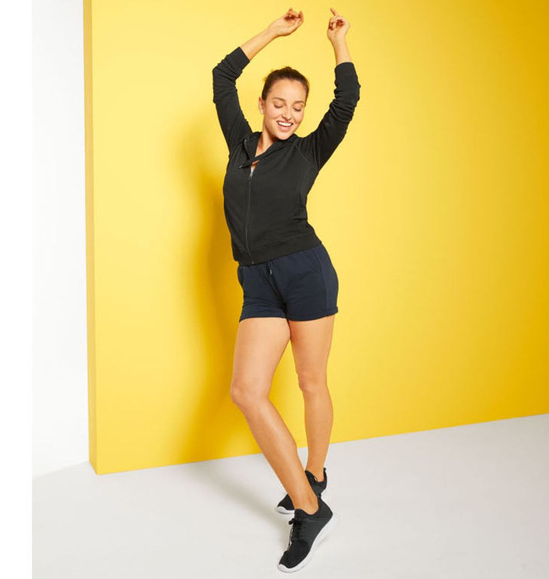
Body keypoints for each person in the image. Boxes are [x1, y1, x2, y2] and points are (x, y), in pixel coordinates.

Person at [212, 7, 360, 573]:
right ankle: (310, 505)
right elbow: (222, 75)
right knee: (247, 391)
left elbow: (346, 101)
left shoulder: (309, 150)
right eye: (280, 103)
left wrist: (338, 44)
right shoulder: (238, 143)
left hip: (304, 271)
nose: (289, 114)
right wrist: (273, 33)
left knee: (309, 381)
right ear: (262, 104)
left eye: (298, 107)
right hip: (257, 280)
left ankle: (313, 481)